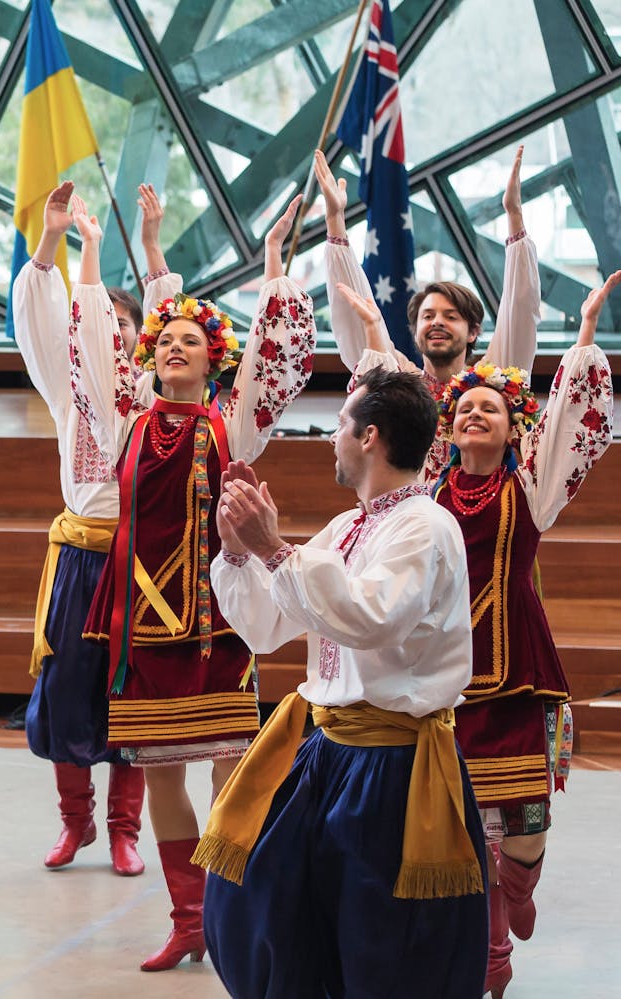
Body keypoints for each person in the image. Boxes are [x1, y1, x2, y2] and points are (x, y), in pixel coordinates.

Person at [337, 271, 616, 995]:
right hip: (447, 681)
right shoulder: (425, 493)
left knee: (522, 833)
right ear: (449, 425)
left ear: (511, 425)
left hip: (519, 672)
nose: (474, 416)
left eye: (490, 408)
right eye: (464, 408)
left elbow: (571, 428)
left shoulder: (532, 489)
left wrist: (584, 335)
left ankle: (520, 886)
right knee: (468, 829)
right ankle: (490, 960)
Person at [67, 193, 318, 971]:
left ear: (214, 359)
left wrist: (275, 263)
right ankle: (188, 919)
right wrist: (90, 249)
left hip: (215, 626)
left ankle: (235, 907)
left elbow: (276, 360)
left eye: (189, 340)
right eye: (164, 339)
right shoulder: (125, 420)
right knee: (163, 775)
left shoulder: (231, 422)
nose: (174, 347)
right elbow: (89, 349)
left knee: (233, 770)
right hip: (142, 630)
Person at [200, 366, 487, 997]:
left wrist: (275, 549)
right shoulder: (347, 526)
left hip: (392, 766)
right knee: (271, 905)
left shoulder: (424, 525)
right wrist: (241, 551)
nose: (331, 437)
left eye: (340, 425)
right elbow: (266, 626)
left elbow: (370, 620)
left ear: (370, 437)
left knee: (378, 941)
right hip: (327, 755)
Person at [10, 181, 172, 877]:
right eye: (102, 325)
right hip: (79, 554)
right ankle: (74, 823)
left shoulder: (159, 395)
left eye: (126, 327)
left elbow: (172, 310)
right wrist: (54, 238)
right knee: (69, 684)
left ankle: (123, 830)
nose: (116, 335)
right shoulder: (67, 384)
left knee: (130, 691)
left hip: (139, 559)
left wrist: (151, 244)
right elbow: (40, 311)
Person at [318, 147, 539, 477]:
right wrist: (335, 220)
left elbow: (519, 310)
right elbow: (357, 318)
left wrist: (514, 216)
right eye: (428, 316)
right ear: (415, 330)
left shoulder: (493, 381)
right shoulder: (399, 383)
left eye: (451, 316)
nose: (437, 322)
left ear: (474, 331)